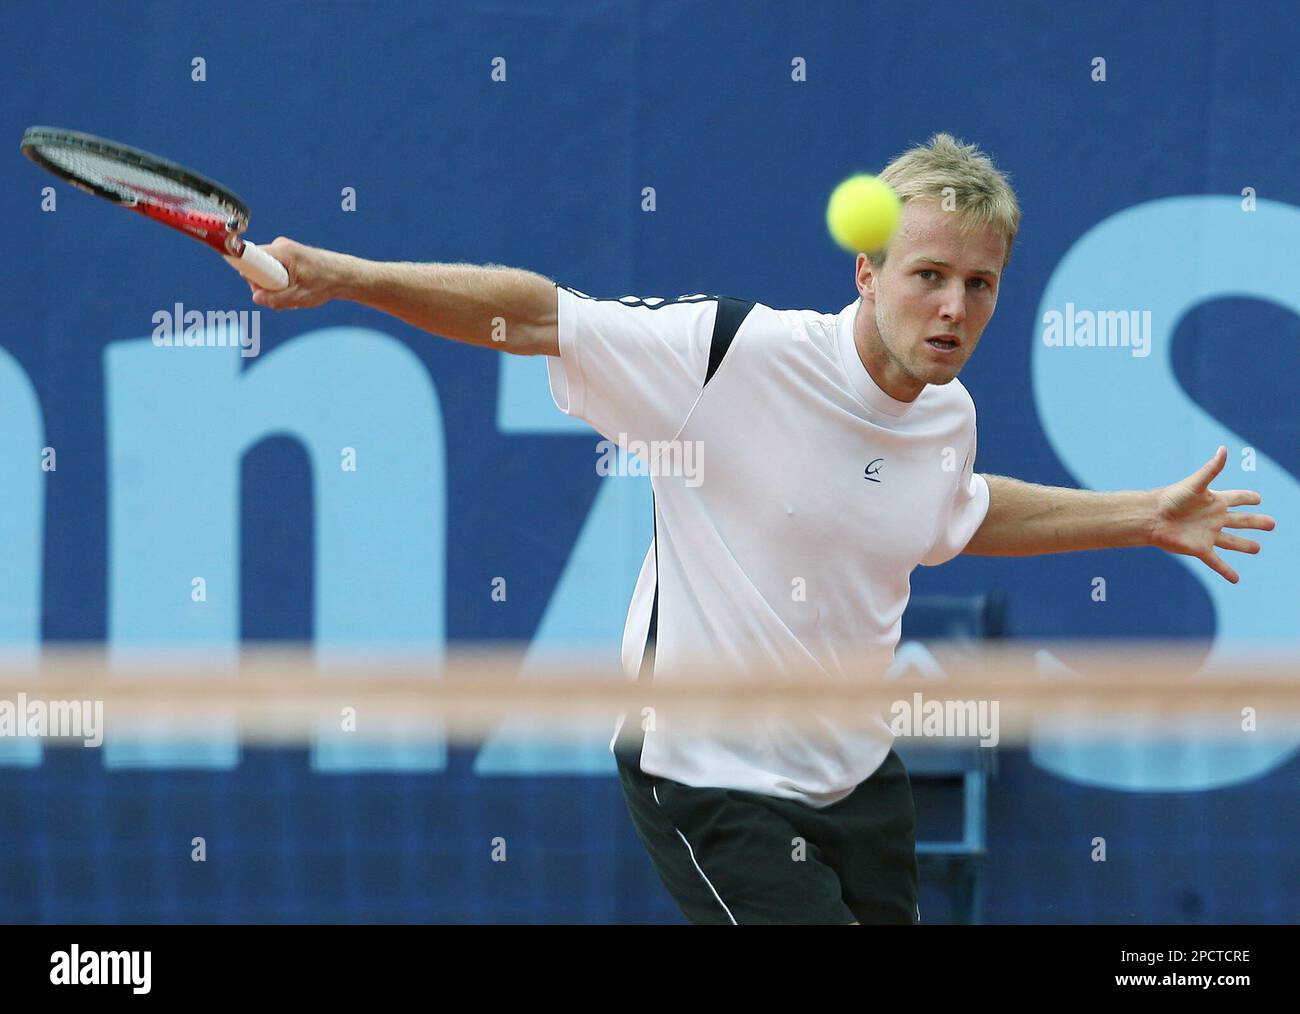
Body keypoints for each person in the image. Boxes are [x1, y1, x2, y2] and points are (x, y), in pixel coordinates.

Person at [243, 133, 1275, 924]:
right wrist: (350, 279)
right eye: (928, 275)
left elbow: (955, 512)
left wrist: (1141, 516)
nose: (954, 307)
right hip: (709, 773)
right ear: (867, 272)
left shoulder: (946, 416)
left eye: (979, 283)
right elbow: (537, 314)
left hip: (859, 774)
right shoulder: (727, 354)